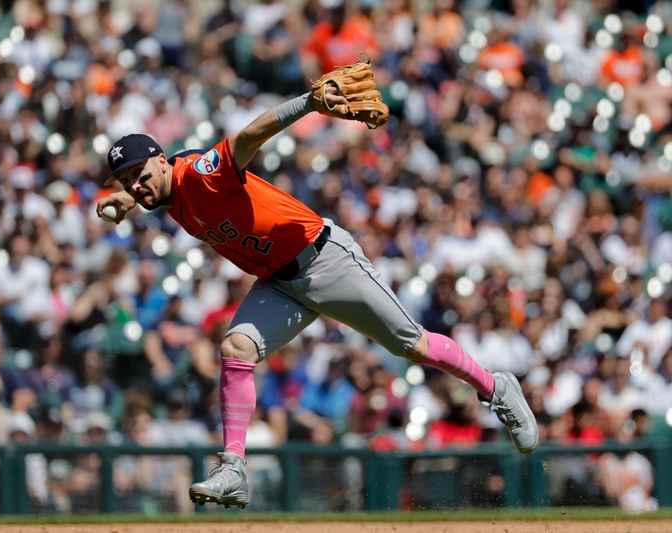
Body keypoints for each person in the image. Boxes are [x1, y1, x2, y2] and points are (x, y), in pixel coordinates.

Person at [96, 82, 539, 508]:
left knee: (413, 344)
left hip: (325, 259)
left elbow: (249, 136)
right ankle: (233, 468)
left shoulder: (198, 174)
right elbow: (156, 183)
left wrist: (307, 103)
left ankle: (495, 387)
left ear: (159, 158)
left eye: (138, 175)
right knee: (236, 347)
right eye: (127, 180)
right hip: (279, 283)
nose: (135, 185)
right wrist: (126, 199)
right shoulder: (165, 188)